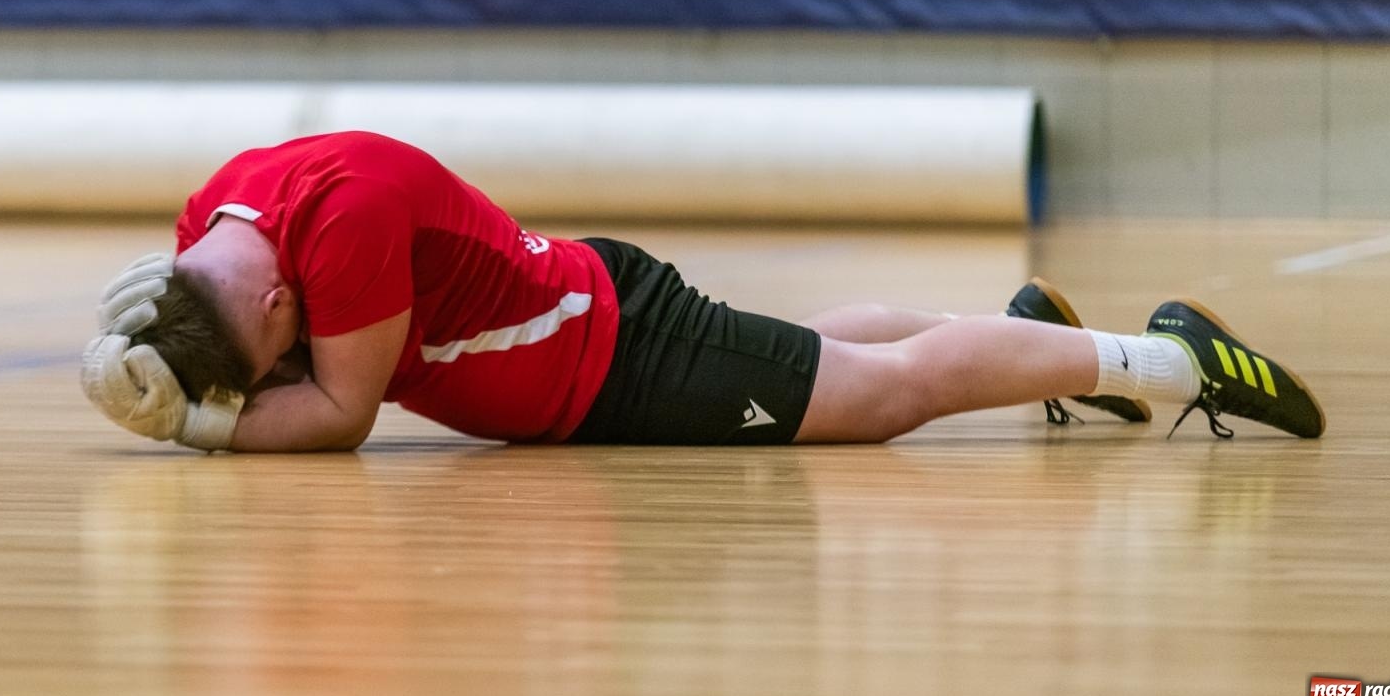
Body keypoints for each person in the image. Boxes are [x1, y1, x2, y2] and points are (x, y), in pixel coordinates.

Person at [80, 131, 1325, 453]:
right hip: (591, 327)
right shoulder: (213, 223)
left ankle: (1170, 358)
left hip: (612, 363)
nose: (280, 370)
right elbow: (277, 357)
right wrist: (186, 370)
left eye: (269, 358)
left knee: (885, 398)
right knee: (814, 353)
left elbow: (340, 411)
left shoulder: (340, 223)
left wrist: (198, 425)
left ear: (277, 307)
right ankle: (1024, 339)